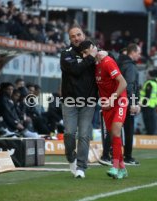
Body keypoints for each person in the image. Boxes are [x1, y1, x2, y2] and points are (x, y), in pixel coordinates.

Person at [79, 40, 128, 179]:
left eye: (85, 52)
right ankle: (122, 167)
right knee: (113, 135)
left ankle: (114, 167)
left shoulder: (107, 61)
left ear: (92, 49)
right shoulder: (93, 64)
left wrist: (113, 98)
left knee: (117, 130)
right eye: (82, 54)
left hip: (119, 100)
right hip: (106, 104)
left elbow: (123, 82)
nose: (84, 56)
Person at [60, 25, 98, 179]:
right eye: (73, 36)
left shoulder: (94, 51)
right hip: (69, 101)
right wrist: (90, 57)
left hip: (89, 101)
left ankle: (81, 167)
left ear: (84, 34)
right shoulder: (65, 54)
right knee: (69, 133)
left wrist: (104, 54)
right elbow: (75, 70)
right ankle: (71, 158)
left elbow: (109, 63)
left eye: (78, 34)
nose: (76, 38)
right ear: (70, 39)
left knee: (84, 135)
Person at [116, 43, 141, 165]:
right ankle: (128, 156)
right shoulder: (130, 67)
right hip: (126, 101)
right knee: (128, 129)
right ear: (133, 52)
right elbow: (130, 85)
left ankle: (110, 154)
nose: (139, 55)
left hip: (118, 100)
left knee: (116, 129)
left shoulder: (120, 64)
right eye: (138, 52)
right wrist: (133, 103)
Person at [140, 69, 157, 135]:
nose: (146, 76)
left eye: (147, 74)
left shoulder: (149, 83)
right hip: (155, 105)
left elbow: (147, 96)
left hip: (148, 105)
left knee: (148, 123)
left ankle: (149, 137)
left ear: (150, 75)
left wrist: (142, 105)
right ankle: (152, 137)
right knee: (154, 123)